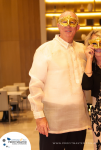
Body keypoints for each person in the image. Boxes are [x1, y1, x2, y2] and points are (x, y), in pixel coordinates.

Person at [28, 11, 91, 150]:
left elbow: (100, 66)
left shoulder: (83, 50)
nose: (68, 26)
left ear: (78, 27)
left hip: (78, 121)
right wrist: (39, 117)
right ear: (58, 26)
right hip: (52, 122)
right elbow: (35, 84)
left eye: (72, 22)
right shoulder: (45, 50)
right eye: (64, 22)